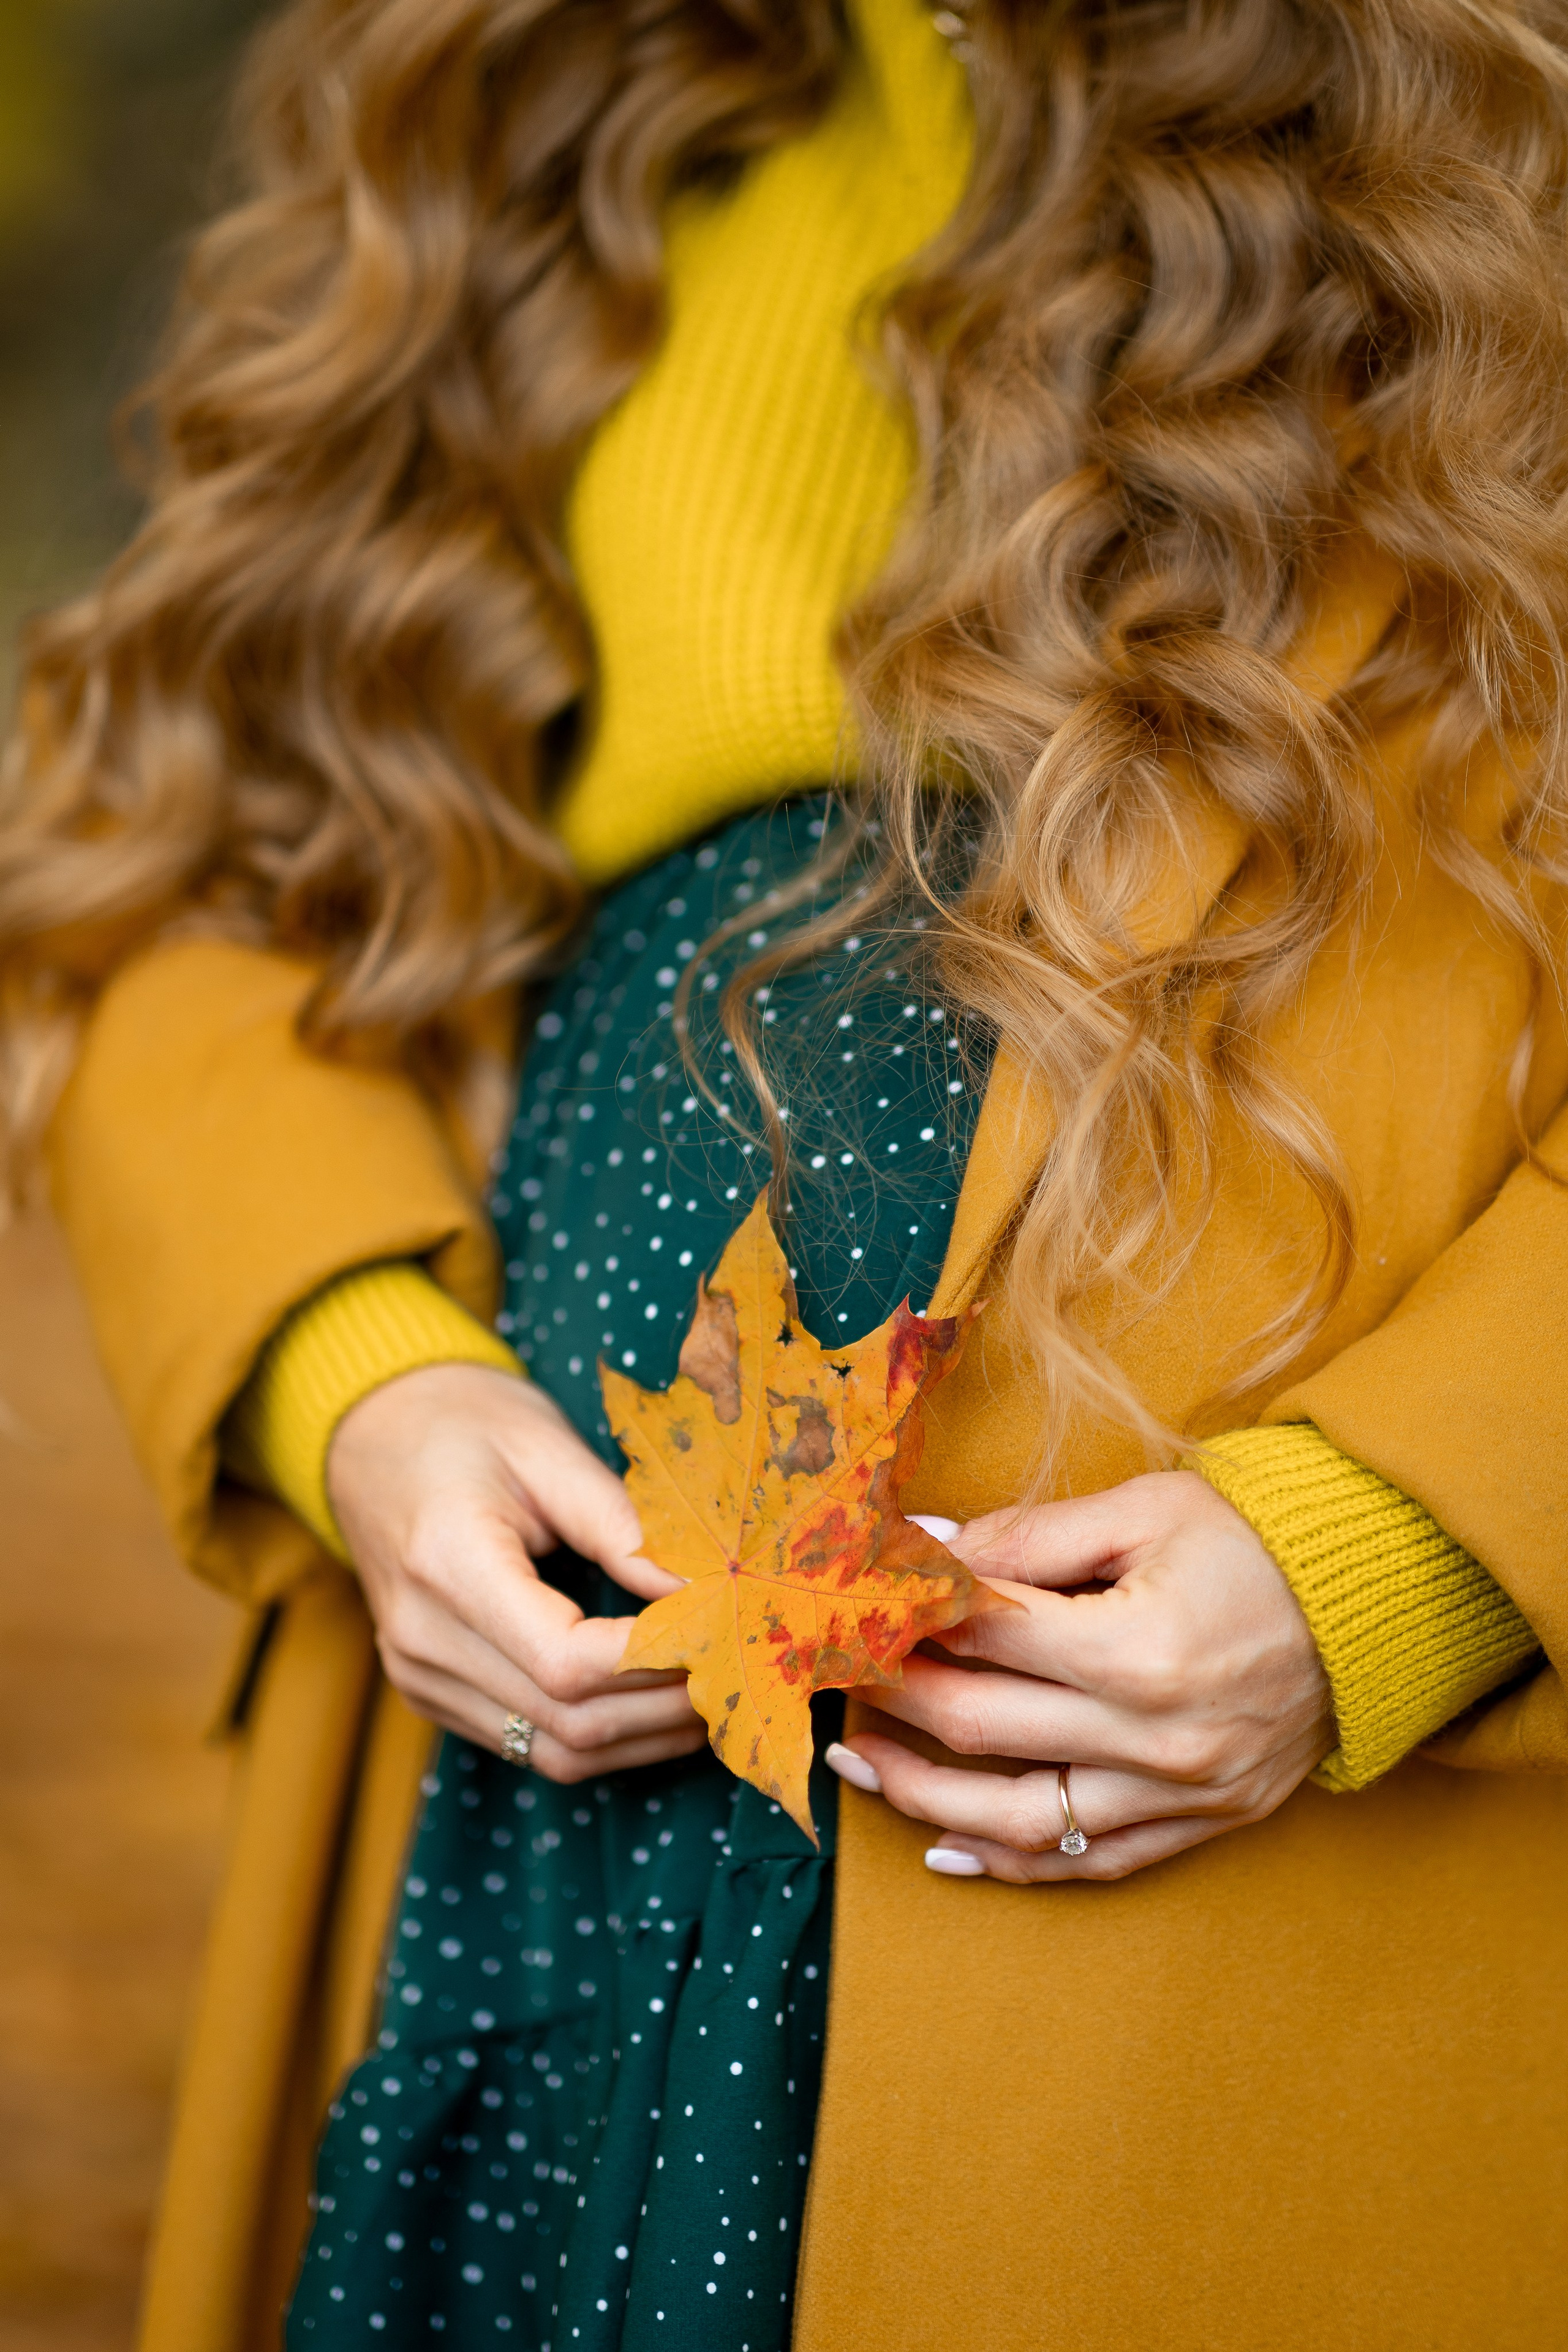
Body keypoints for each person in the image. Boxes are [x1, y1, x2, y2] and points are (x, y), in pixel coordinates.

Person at [4, 0, 1568, 2344]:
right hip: (553, 1789)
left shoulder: (1510, 155)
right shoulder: (539, 130)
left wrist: (1415, 1540)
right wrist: (362, 1370)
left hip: (1229, 1856)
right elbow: (184, 881)